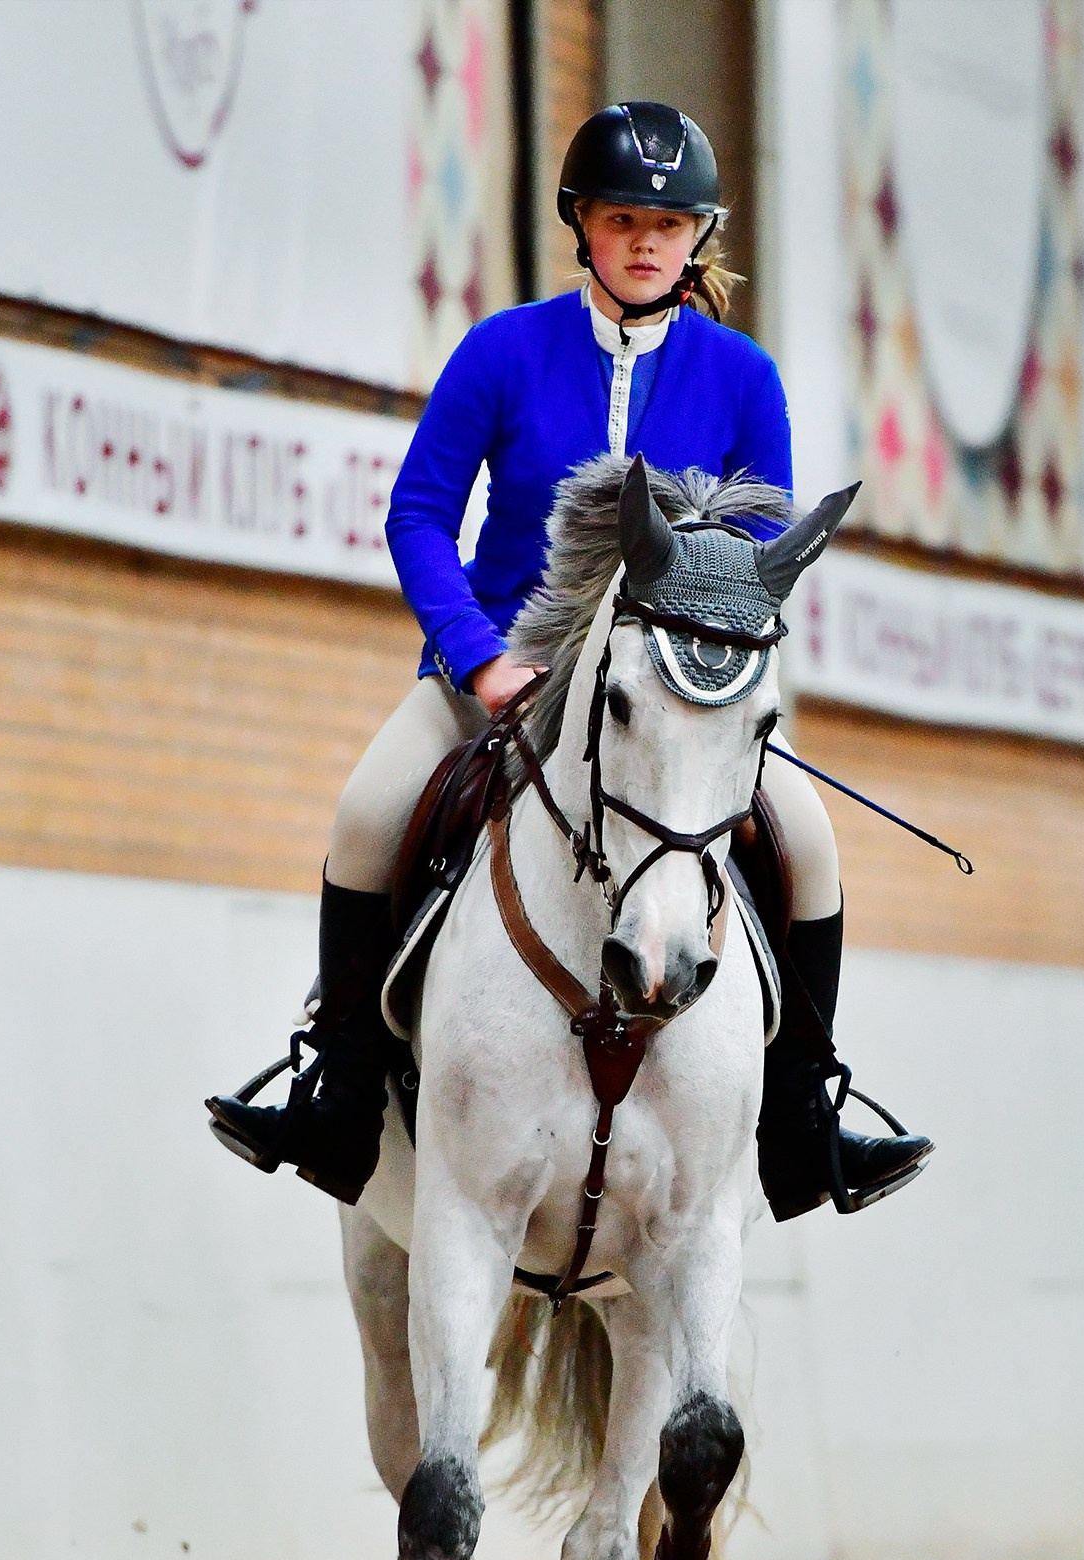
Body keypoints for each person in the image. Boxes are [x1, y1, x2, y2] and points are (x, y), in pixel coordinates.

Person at [207, 101, 931, 1219]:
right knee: (365, 812)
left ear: (699, 237)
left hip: (672, 694)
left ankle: (800, 1119)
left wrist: (694, 678)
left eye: (671, 222)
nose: (648, 241)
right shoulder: (502, 351)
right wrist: (478, 660)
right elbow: (417, 516)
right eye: (623, 217)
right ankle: (338, 1090)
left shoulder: (743, 379)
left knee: (814, 844)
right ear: (579, 224)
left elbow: (752, 559)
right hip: (503, 671)